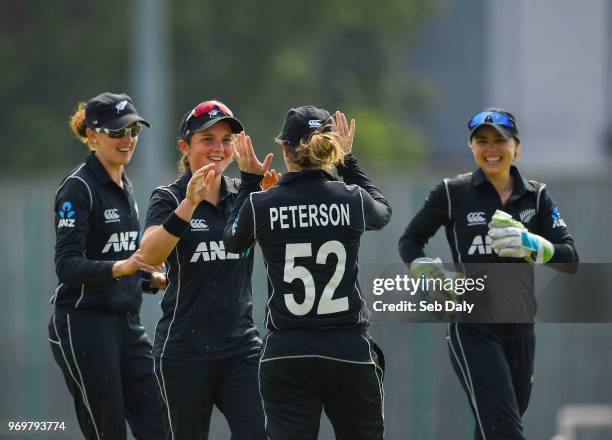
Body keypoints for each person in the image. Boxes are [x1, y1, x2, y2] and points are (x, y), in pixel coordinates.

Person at [398, 108, 579, 439]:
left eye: (500, 140)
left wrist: (534, 245)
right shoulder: (453, 192)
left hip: (522, 329)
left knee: (493, 429)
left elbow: (570, 258)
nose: (491, 148)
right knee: (504, 430)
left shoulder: (536, 196)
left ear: (517, 147)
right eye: (481, 141)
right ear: (471, 147)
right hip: (473, 328)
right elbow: (410, 240)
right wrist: (424, 270)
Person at [223, 106, 391, 440]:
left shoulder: (262, 204)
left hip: (288, 350)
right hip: (348, 348)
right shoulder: (351, 198)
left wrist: (249, 182)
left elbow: (232, 240)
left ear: (284, 148)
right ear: (330, 147)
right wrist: (348, 163)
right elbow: (382, 211)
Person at [139, 100, 271, 440]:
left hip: (240, 349)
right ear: (185, 147)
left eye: (226, 140)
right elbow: (149, 254)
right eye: (207, 139)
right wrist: (189, 204)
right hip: (184, 351)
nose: (219, 148)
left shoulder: (242, 195)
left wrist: (268, 193)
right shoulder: (169, 197)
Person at [49, 92, 166, 440]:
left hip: (125, 325)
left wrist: (149, 279)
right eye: (117, 132)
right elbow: (67, 266)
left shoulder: (123, 184)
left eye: (133, 131)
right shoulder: (78, 188)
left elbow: (119, 260)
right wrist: (123, 268)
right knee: (107, 432)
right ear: (93, 135)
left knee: (160, 425)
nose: (127, 140)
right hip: (83, 322)